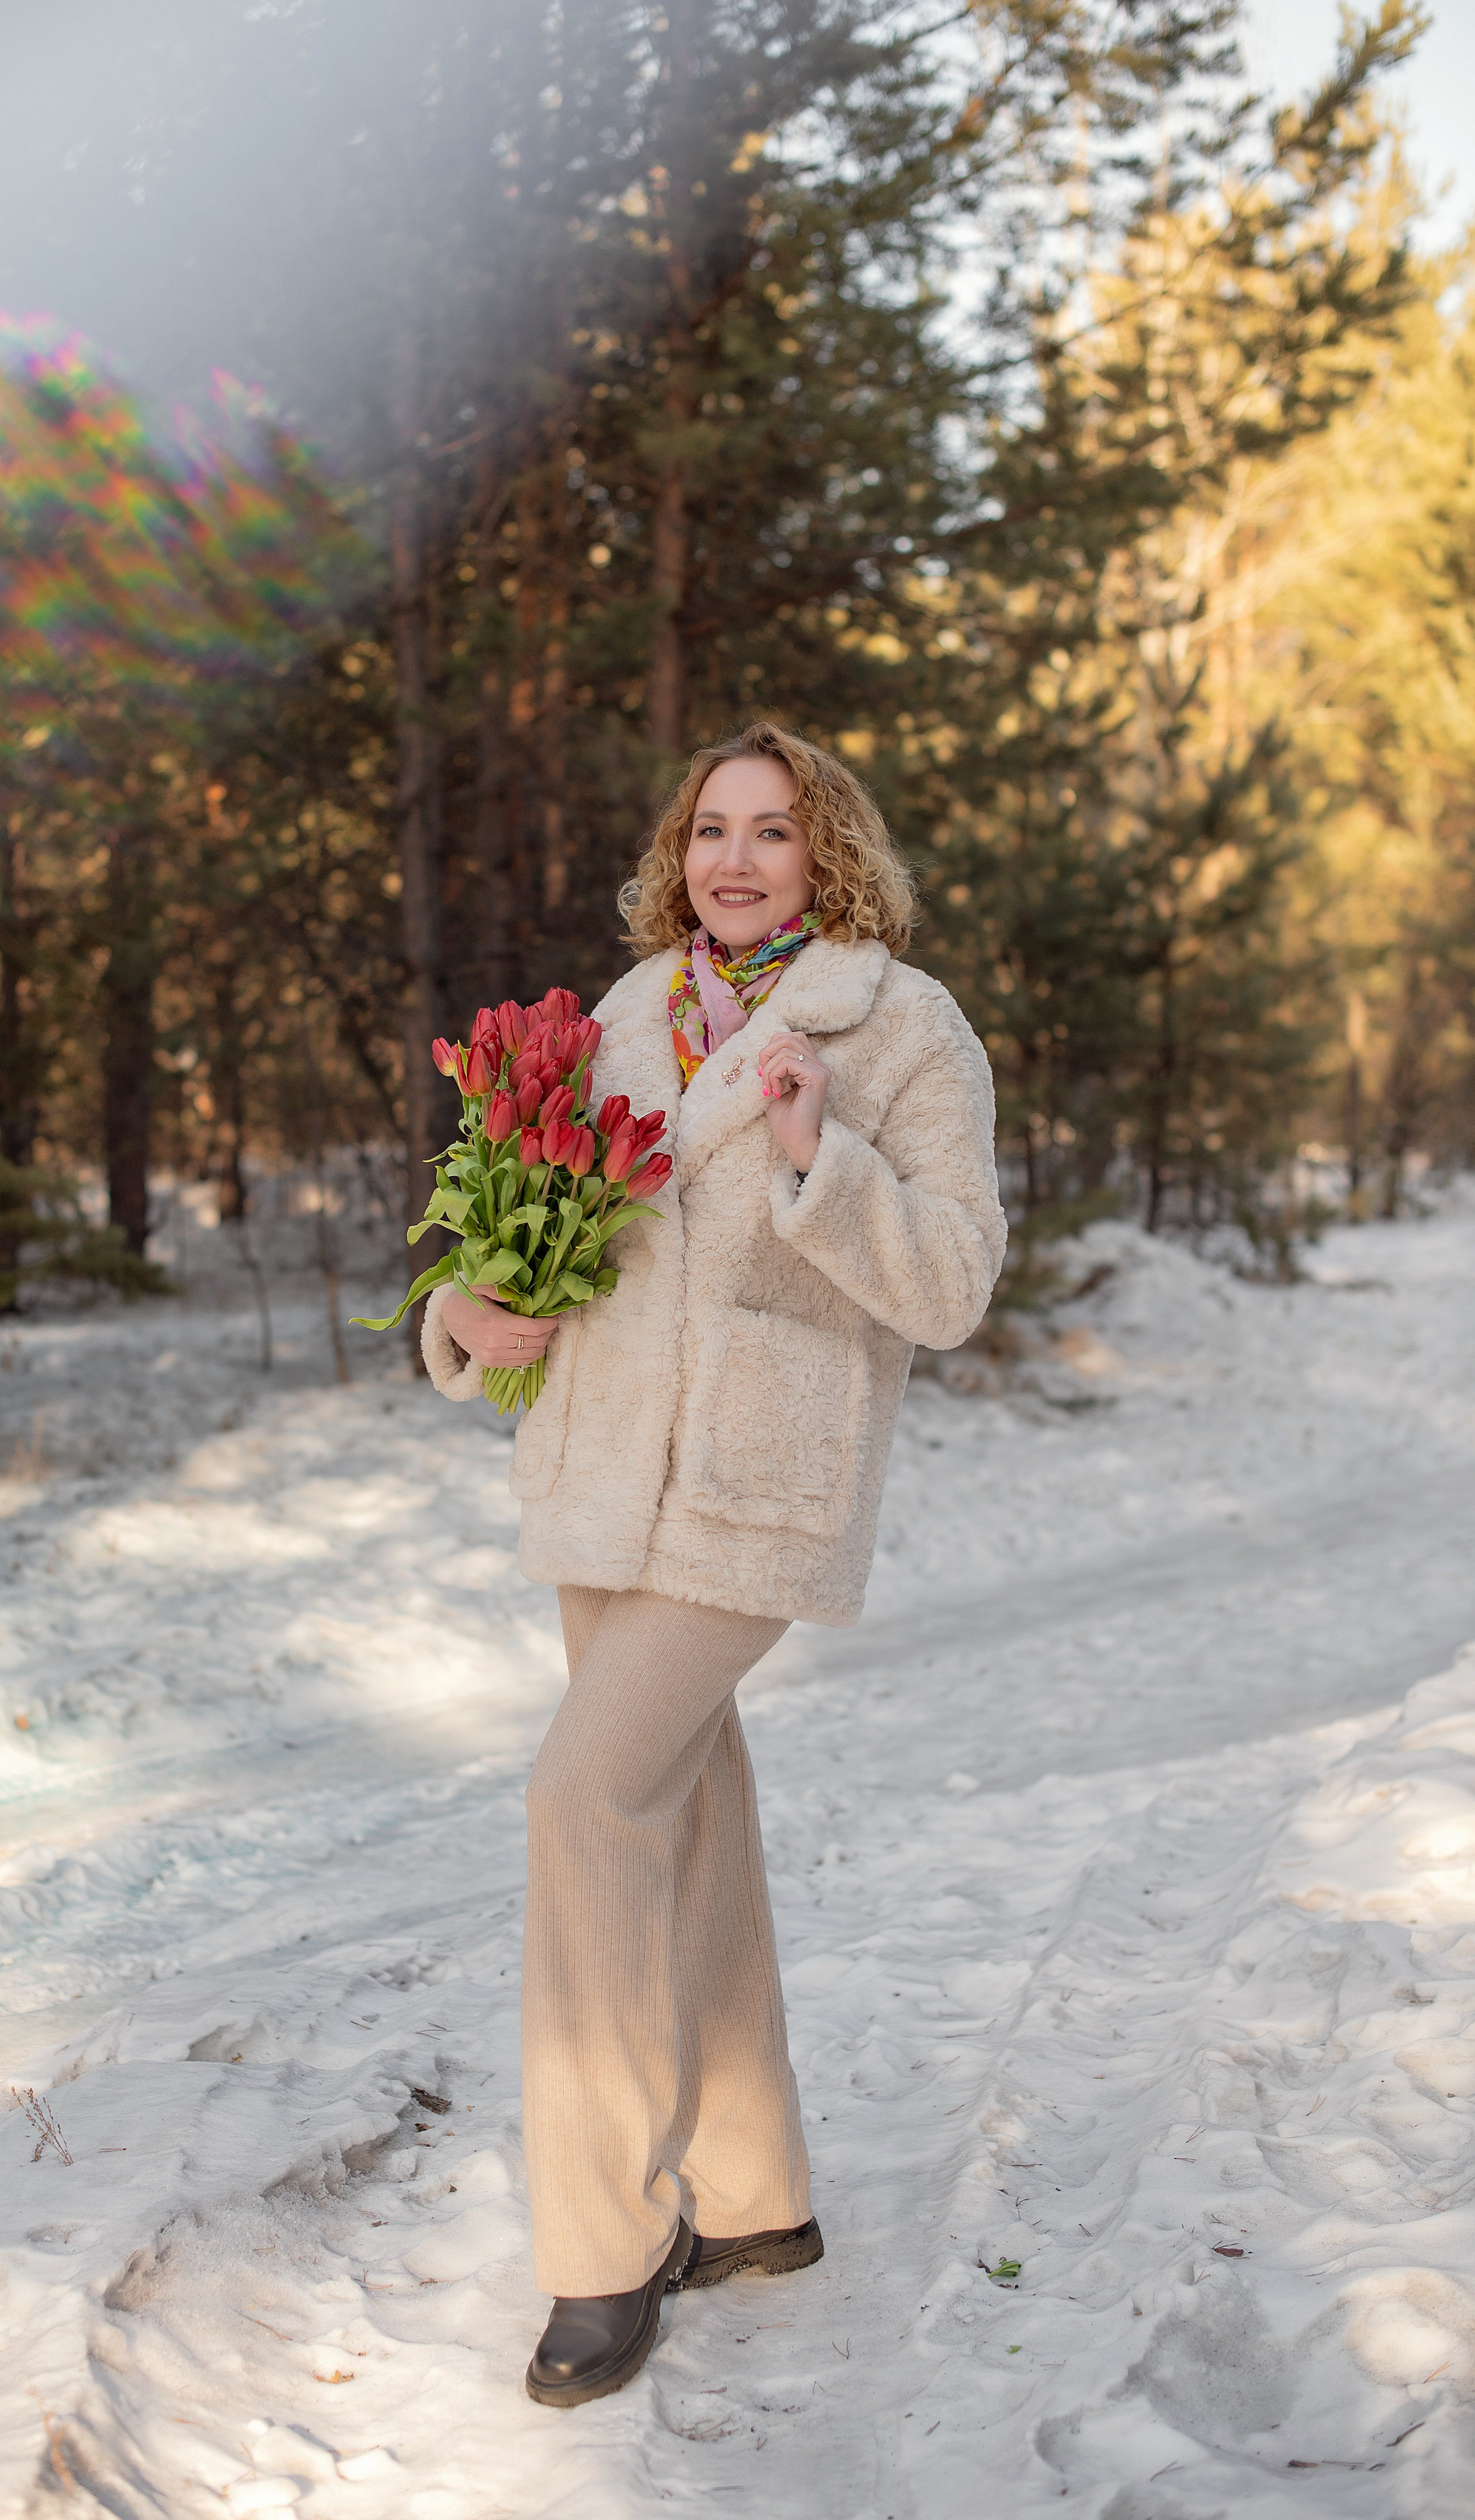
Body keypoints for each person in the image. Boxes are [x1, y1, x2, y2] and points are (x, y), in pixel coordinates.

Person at [421, 720, 1006, 2407]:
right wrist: (466, 1311)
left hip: (755, 1489)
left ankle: (606, 2252)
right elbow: (522, 1224)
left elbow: (956, 1280)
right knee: (677, 1811)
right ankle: (754, 2199)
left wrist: (825, 1160)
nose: (731, 860)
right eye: (706, 832)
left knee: (581, 1798)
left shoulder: (900, 1025)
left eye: (769, 830)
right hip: (599, 1478)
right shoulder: (619, 1020)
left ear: (827, 852)